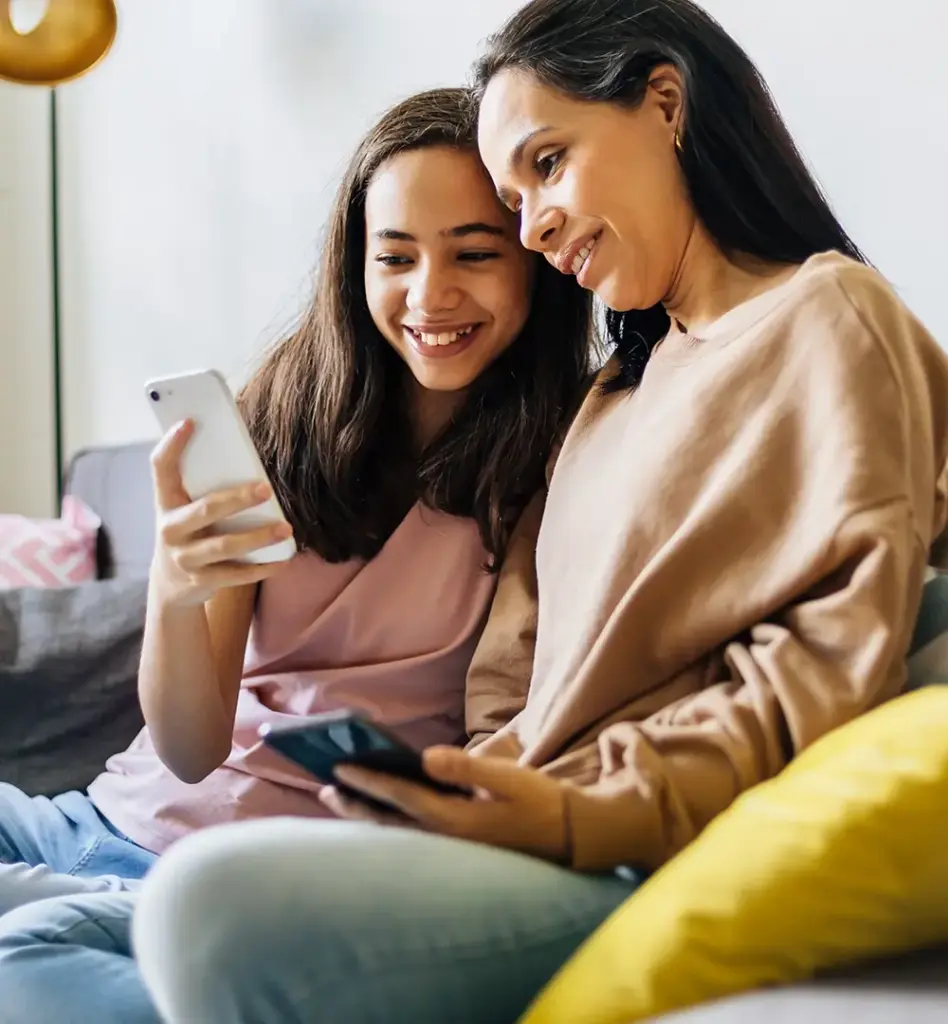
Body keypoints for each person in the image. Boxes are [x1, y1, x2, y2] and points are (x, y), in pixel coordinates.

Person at [3, 1, 948, 1021]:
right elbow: (513, 681)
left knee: (158, 915)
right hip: (465, 818)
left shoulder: (822, 316)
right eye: (515, 194)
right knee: (45, 946)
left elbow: (819, 663)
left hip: (589, 833)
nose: (535, 224)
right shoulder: (612, 398)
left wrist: (568, 809)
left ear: (664, 102)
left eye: (546, 166)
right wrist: (463, 789)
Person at [0, 87, 590, 925]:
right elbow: (192, 751)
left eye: (473, 253)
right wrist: (174, 590)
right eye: (395, 258)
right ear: (355, 269)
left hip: (241, 887)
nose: (430, 296)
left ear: (533, 259)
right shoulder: (279, 415)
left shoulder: (560, 463)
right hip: (99, 822)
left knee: (30, 950)